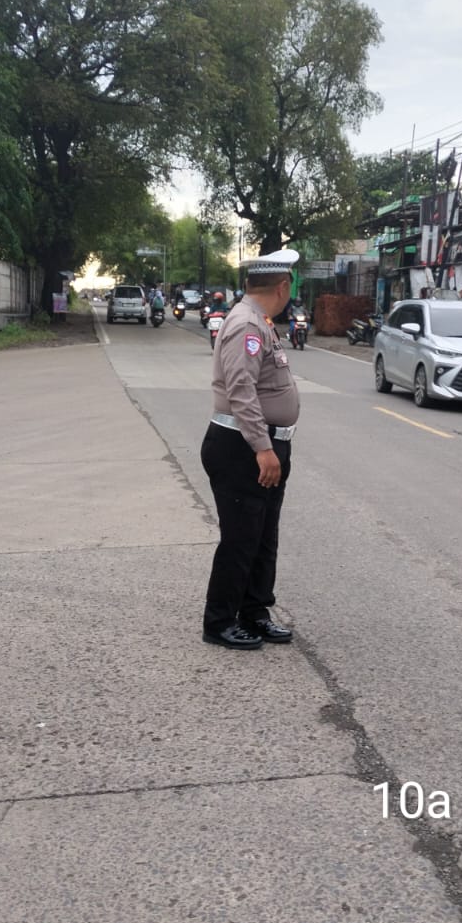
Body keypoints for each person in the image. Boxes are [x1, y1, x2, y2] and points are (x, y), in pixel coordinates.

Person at [200, 248, 302, 651]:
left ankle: (255, 611)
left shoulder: (260, 321)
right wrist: (262, 447)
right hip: (241, 448)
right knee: (241, 538)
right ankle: (220, 621)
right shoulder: (246, 324)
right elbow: (241, 390)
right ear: (283, 286)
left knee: (262, 536)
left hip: (263, 445)